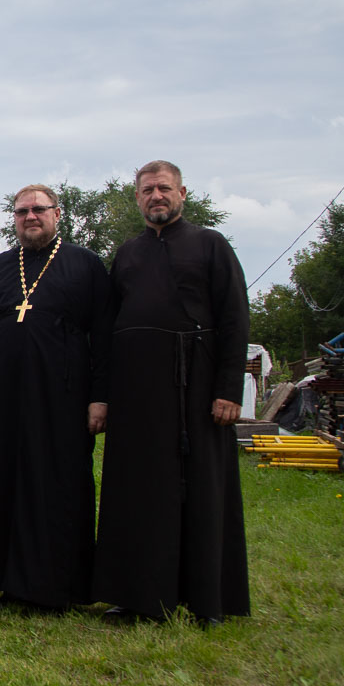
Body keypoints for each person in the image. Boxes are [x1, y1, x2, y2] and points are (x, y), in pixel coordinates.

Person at [92, 161, 251, 624]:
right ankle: (138, 596)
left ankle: (208, 600)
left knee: (202, 489)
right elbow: (108, 326)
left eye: (164, 188)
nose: (156, 196)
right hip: (137, 390)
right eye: (147, 190)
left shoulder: (210, 244)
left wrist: (228, 390)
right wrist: (105, 394)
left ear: (182, 193)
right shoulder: (127, 253)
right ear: (137, 198)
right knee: (137, 490)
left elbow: (235, 319)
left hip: (196, 387)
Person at [0, 184, 111, 610]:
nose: (30, 217)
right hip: (1, 397)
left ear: (57, 214)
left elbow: (104, 336)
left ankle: (58, 585)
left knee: (56, 483)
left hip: (62, 398)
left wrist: (100, 397)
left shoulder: (85, 264)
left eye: (38, 210)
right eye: (22, 211)